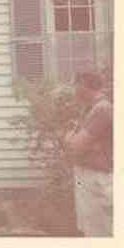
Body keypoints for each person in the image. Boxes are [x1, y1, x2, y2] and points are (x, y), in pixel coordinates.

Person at [64, 72, 113, 237]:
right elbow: (73, 143)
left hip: (97, 179)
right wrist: (78, 141)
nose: (73, 90)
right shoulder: (90, 109)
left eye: (75, 85)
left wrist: (73, 138)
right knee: (90, 230)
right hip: (87, 178)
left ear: (84, 86)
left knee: (100, 232)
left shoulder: (102, 109)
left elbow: (75, 146)